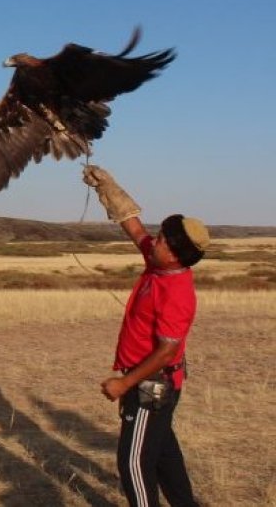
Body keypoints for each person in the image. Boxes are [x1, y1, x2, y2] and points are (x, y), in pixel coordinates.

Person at [82, 164, 209, 507]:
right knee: (164, 456)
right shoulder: (159, 262)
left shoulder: (177, 291)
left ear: (178, 254)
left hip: (152, 384)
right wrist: (107, 188)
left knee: (134, 462)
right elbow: (134, 226)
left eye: (164, 240)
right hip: (153, 380)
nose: (156, 240)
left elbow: (167, 351)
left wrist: (124, 385)